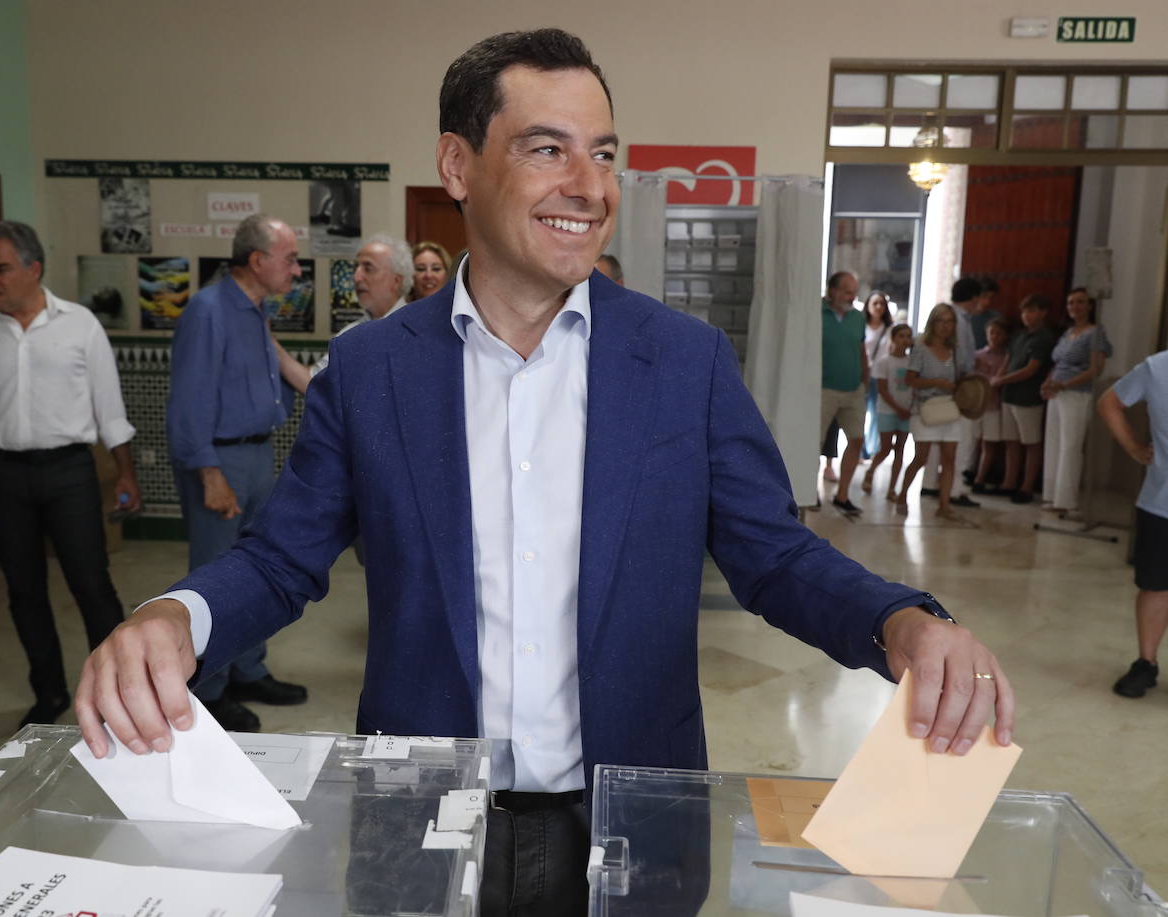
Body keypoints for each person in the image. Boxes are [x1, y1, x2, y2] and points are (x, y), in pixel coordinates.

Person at [74, 30, 1013, 916]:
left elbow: (772, 557)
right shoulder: (373, 371)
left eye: (602, 153)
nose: (589, 185)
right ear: (457, 167)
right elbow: (283, 557)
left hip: (633, 825)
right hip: (424, 824)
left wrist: (901, 623)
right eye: (546, 149)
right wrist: (175, 617)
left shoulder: (683, 363)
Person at [0, 220, 141, 730]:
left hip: (68, 470)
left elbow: (109, 407)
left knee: (92, 585)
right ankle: (48, 693)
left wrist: (125, 474)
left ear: (33, 268)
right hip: (1, 475)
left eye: (0, 269)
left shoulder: (80, 324)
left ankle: (123, 693)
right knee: (24, 590)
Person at [165, 213, 310, 733]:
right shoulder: (207, 311)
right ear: (257, 260)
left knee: (257, 569)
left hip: (258, 455)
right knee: (215, 579)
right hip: (221, 460)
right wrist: (209, 472)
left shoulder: (255, 310)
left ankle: (248, 670)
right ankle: (208, 691)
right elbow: (188, 403)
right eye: (289, 259)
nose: (295, 270)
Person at [1097, 350, 1166, 698]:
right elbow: (1109, 403)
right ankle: (1146, 663)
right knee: (1155, 586)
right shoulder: (1156, 368)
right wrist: (1136, 449)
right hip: (1161, 502)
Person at [300, 233, 414, 380]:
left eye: (368, 268)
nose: (356, 277)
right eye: (356, 268)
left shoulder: (416, 329)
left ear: (396, 281)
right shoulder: (349, 334)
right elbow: (314, 382)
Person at [1041, 287, 1112, 517]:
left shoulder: (1095, 333)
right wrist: (1049, 383)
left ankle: (1067, 500)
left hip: (1077, 393)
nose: (1075, 307)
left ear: (1090, 306)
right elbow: (1058, 364)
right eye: (1071, 302)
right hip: (1056, 392)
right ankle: (1052, 495)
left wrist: (1065, 384)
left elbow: (1096, 368)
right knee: (1053, 444)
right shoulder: (1067, 332)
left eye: (1080, 302)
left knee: (1070, 446)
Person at [899, 304, 965, 521]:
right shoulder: (920, 348)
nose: (945, 326)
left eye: (949, 321)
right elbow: (910, 379)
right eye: (941, 321)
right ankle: (902, 495)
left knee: (949, 458)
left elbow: (961, 377)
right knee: (921, 458)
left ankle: (944, 505)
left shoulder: (955, 350)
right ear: (932, 323)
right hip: (925, 409)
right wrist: (935, 382)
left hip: (949, 407)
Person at [920, 278, 982, 508]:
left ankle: (930, 484)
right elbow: (963, 358)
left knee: (938, 438)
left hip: (940, 387)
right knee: (958, 440)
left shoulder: (954, 316)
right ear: (975, 298)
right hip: (955, 386)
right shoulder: (960, 321)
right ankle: (955, 489)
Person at [992, 294, 1055, 503]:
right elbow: (1007, 361)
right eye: (1024, 311)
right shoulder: (1019, 335)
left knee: (1031, 443)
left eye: (1032, 311)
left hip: (1028, 397)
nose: (1027, 316)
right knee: (1011, 441)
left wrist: (1002, 380)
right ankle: (1009, 482)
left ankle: (1027, 486)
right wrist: (999, 378)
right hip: (1009, 395)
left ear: (1043, 312)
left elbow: (1031, 369)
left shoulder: (1045, 338)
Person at [820, 271, 868, 514]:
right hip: (823, 389)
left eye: (854, 291)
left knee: (857, 439)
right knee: (814, 442)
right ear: (833, 291)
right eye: (847, 291)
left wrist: (865, 378)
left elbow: (861, 350)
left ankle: (842, 495)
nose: (852, 296)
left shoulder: (858, 318)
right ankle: (810, 492)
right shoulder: (816, 313)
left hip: (853, 389)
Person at [862, 323, 913, 504]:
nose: (905, 340)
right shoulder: (884, 361)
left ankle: (892, 488)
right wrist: (898, 408)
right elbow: (882, 389)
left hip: (906, 412)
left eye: (908, 336)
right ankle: (871, 471)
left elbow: (915, 387)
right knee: (885, 448)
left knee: (900, 449)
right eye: (901, 336)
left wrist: (909, 409)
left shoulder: (913, 362)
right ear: (893, 338)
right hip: (887, 410)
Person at [971, 319, 1011, 493]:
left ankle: (980, 478)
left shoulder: (1006, 358)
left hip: (993, 405)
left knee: (989, 443)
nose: (994, 336)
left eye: (998, 333)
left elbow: (999, 382)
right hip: (975, 406)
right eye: (991, 332)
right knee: (971, 441)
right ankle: (967, 471)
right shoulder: (977, 356)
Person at [861, 290, 893, 462]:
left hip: (879, 377)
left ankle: (873, 448)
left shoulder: (889, 329)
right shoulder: (861, 325)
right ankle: (861, 449)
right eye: (875, 303)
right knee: (860, 413)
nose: (879, 307)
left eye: (882, 303)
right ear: (868, 305)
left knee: (875, 413)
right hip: (861, 375)